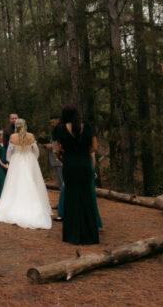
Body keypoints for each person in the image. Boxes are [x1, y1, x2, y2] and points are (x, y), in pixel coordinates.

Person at [0, 119, 52, 229]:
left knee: (15, 183)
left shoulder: (13, 137)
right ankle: (32, 205)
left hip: (17, 161)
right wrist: (32, 158)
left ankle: (14, 204)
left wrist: (11, 161)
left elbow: (9, 153)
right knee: (30, 182)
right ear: (25, 126)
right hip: (29, 160)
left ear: (16, 126)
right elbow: (36, 151)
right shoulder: (31, 136)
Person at [53, 105, 100, 245]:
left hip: (70, 164)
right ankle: (90, 235)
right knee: (86, 196)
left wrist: (63, 158)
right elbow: (94, 147)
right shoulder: (87, 126)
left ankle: (72, 234)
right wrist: (83, 153)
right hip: (85, 163)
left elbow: (56, 150)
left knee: (71, 197)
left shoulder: (59, 129)